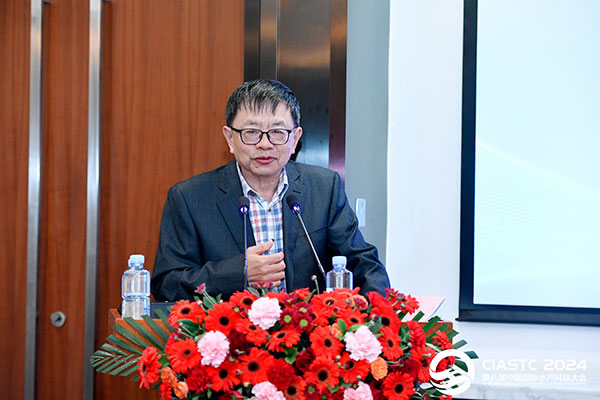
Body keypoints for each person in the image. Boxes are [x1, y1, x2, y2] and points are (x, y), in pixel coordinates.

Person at [151, 79, 390, 301]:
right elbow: (168, 283)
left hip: (305, 328)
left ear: (295, 139)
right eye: (251, 132)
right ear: (230, 138)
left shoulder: (324, 188)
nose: (264, 144)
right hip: (228, 330)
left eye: (277, 132)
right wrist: (238, 273)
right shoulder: (190, 198)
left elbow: (363, 263)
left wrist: (379, 314)